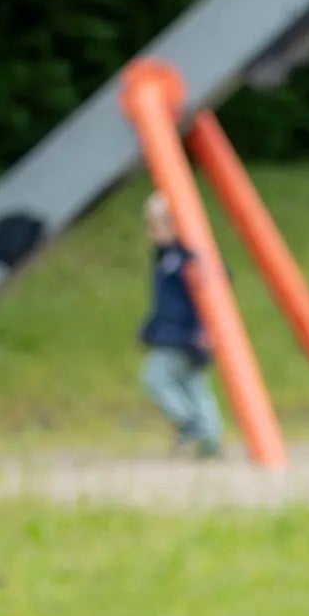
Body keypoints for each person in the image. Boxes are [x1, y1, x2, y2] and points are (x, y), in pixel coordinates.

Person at [137, 189, 223, 457]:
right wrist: (149, 330)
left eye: (161, 225)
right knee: (195, 384)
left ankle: (190, 422)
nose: (155, 232)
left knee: (156, 377)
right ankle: (211, 437)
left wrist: (202, 328)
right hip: (178, 333)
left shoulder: (184, 260)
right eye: (153, 225)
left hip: (182, 335)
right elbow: (164, 304)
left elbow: (203, 295)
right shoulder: (167, 261)